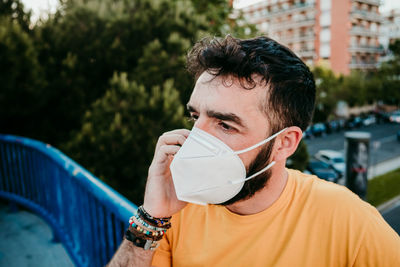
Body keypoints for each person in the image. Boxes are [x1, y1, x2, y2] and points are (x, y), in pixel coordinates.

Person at [108, 35, 400, 267]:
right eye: (196, 117)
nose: (195, 140)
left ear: (285, 143)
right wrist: (150, 218)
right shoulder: (179, 207)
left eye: (225, 125)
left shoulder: (348, 221)